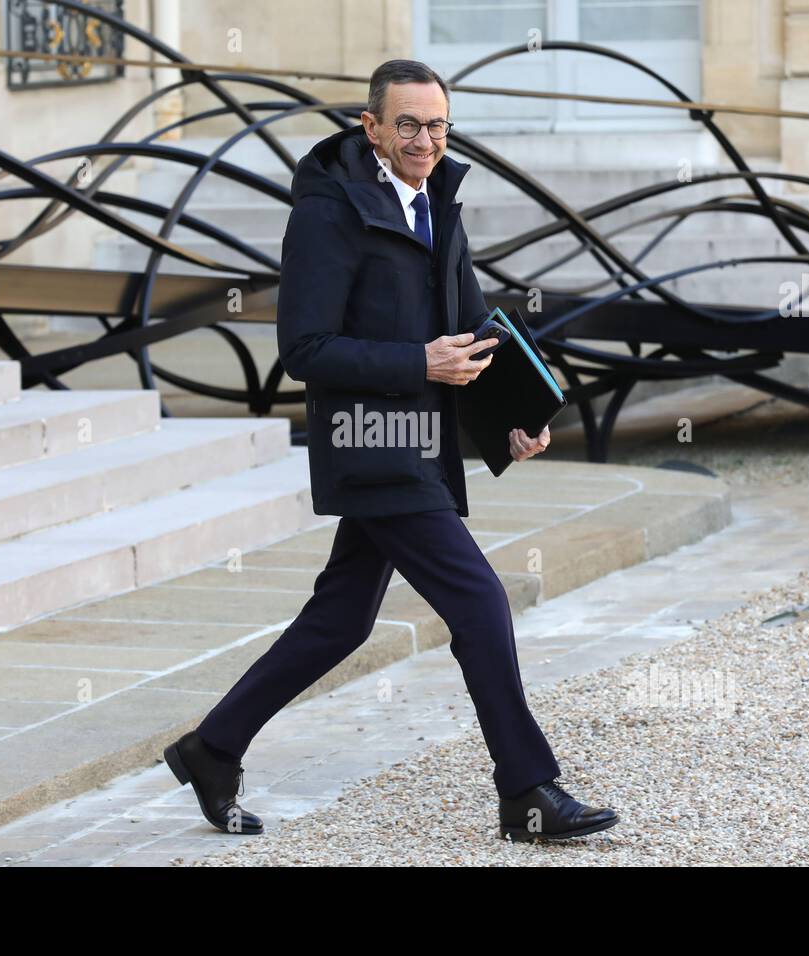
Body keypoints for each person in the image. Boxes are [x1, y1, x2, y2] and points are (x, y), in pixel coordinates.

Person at [163, 59, 618, 843]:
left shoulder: (439, 198)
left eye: (437, 124)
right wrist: (419, 364)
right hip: (370, 444)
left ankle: (212, 748)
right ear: (371, 126)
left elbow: (471, 323)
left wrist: (514, 412)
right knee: (478, 599)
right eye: (407, 124)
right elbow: (305, 349)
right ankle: (528, 792)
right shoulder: (326, 214)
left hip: (422, 443)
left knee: (340, 619)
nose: (424, 139)